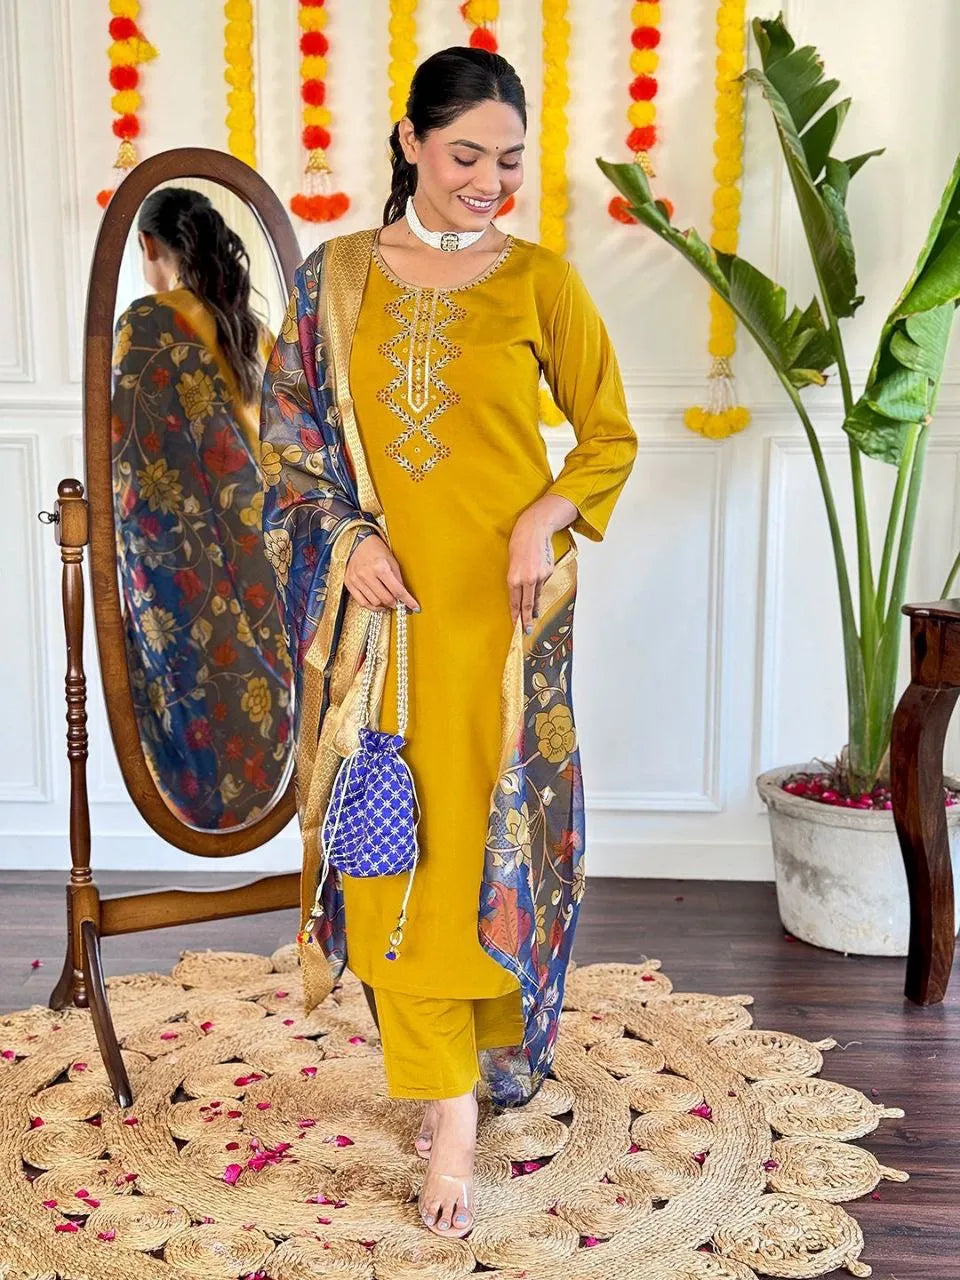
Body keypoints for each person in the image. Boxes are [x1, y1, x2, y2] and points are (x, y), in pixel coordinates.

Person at [259, 47, 637, 1239]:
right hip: (389, 621)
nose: (488, 180)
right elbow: (285, 440)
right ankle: (447, 1093)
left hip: (504, 624)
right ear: (411, 144)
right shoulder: (335, 279)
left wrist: (539, 516)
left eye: (508, 160)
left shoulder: (541, 282)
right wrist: (346, 538)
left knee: (487, 840)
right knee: (393, 840)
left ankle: (464, 1087)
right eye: (465, 154)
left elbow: (609, 438)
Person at [111, 187, 293, 829]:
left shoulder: (146, 322)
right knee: (267, 692)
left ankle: (213, 819)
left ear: (148, 245)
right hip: (269, 552)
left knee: (200, 694)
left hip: (187, 561)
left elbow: (136, 464)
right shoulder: (254, 331)